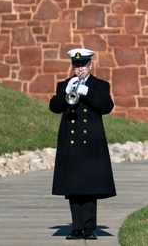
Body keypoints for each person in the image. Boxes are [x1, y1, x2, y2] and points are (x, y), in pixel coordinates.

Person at [49, 48, 117, 240]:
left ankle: (89, 228)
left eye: (83, 66)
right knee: (74, 189)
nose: (80, 70)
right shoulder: (64, 85)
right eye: (76, 66)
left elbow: (106, 107)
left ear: (90, 65)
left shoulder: (99, 85)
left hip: (92, 143)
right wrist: (67, 93)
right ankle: (76, 228)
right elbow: (53, 107)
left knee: (90, 188)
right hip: (70, 144)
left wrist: (86, 92)